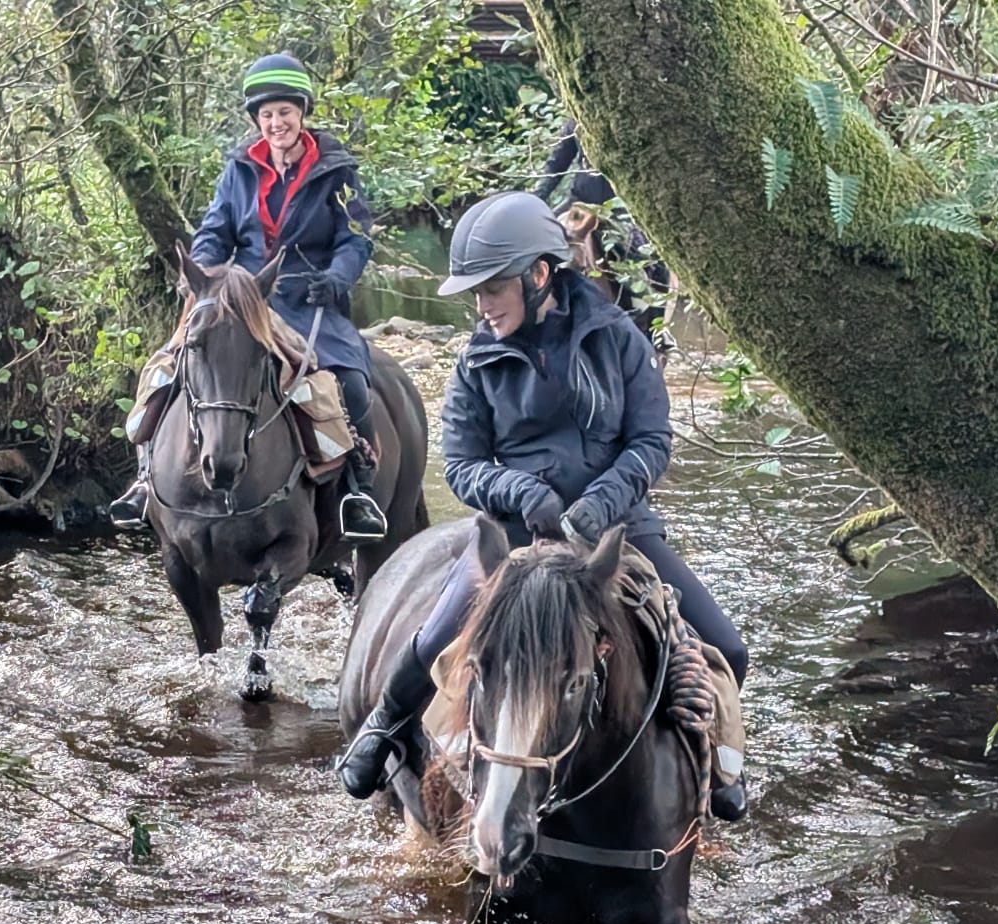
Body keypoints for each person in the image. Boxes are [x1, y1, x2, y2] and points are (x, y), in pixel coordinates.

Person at [335, 191, 749, 819]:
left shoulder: (618, 339)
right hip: (514, 535)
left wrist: (605, 499)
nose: (481, 305)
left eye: (491, 288)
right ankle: (384, 727)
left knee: (727, 647)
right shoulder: (477, 360)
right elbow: (464, 465)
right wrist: (526, 494)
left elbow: (651, 440)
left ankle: (716, 761)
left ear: (538, 276)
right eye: (474, 293)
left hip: (619, 531)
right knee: (431, 639)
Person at [109, 53, 385, 539]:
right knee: (165, 369)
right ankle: (145, 480)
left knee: (353, 384)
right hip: (241, 297)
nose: (276, 123)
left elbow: (357, 237)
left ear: (302, 113)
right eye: (266, 115)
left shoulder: (338, 170)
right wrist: (203, 275)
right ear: (257, 120)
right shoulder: (239, 171)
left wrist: (338, 277)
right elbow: (216, 231)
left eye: (284, 112)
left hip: (309, 296)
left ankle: (354, 492)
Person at [534, 119, 672, 342]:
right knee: (540, 242)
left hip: (621, 210)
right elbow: (555, 166)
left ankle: (657, 333)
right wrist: (535, 199)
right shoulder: (575, 122)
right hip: (579, 204)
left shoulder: (627, 120)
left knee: (653, 258)